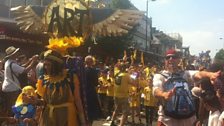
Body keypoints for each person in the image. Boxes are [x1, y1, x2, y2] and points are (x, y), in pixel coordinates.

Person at [153, 49, 220, 126]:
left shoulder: (185, 74)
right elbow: (156, 90)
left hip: (188, 119)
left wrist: (210, 75)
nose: (171, 59)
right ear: (165, 61)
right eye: (168, 57)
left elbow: (198, 74)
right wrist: (164, 94)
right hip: (167, 121)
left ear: (179, 60)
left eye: (174, 57)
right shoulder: (159, 76)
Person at [36, 50, 86, 126]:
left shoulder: (70, 77)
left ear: (56, 65)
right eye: (45, 65)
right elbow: (45, 101)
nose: (46, 68)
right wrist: (36, 101)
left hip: (67, 116)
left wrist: (82, 121)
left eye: (48, 65)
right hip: (48, 117)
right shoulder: (43, 79)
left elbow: (77, 99)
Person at [2, 46, 38, 116]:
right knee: (14, 107)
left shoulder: (9, 62)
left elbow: (22, 66)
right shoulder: (12, 64)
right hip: (12, 89)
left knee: (11, 107)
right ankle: (12, 120)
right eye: (16, 52)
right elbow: (24, 70)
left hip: (9, 87)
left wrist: (30, 61)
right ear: (12, 55)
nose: (17, 53)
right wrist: (33, 62)